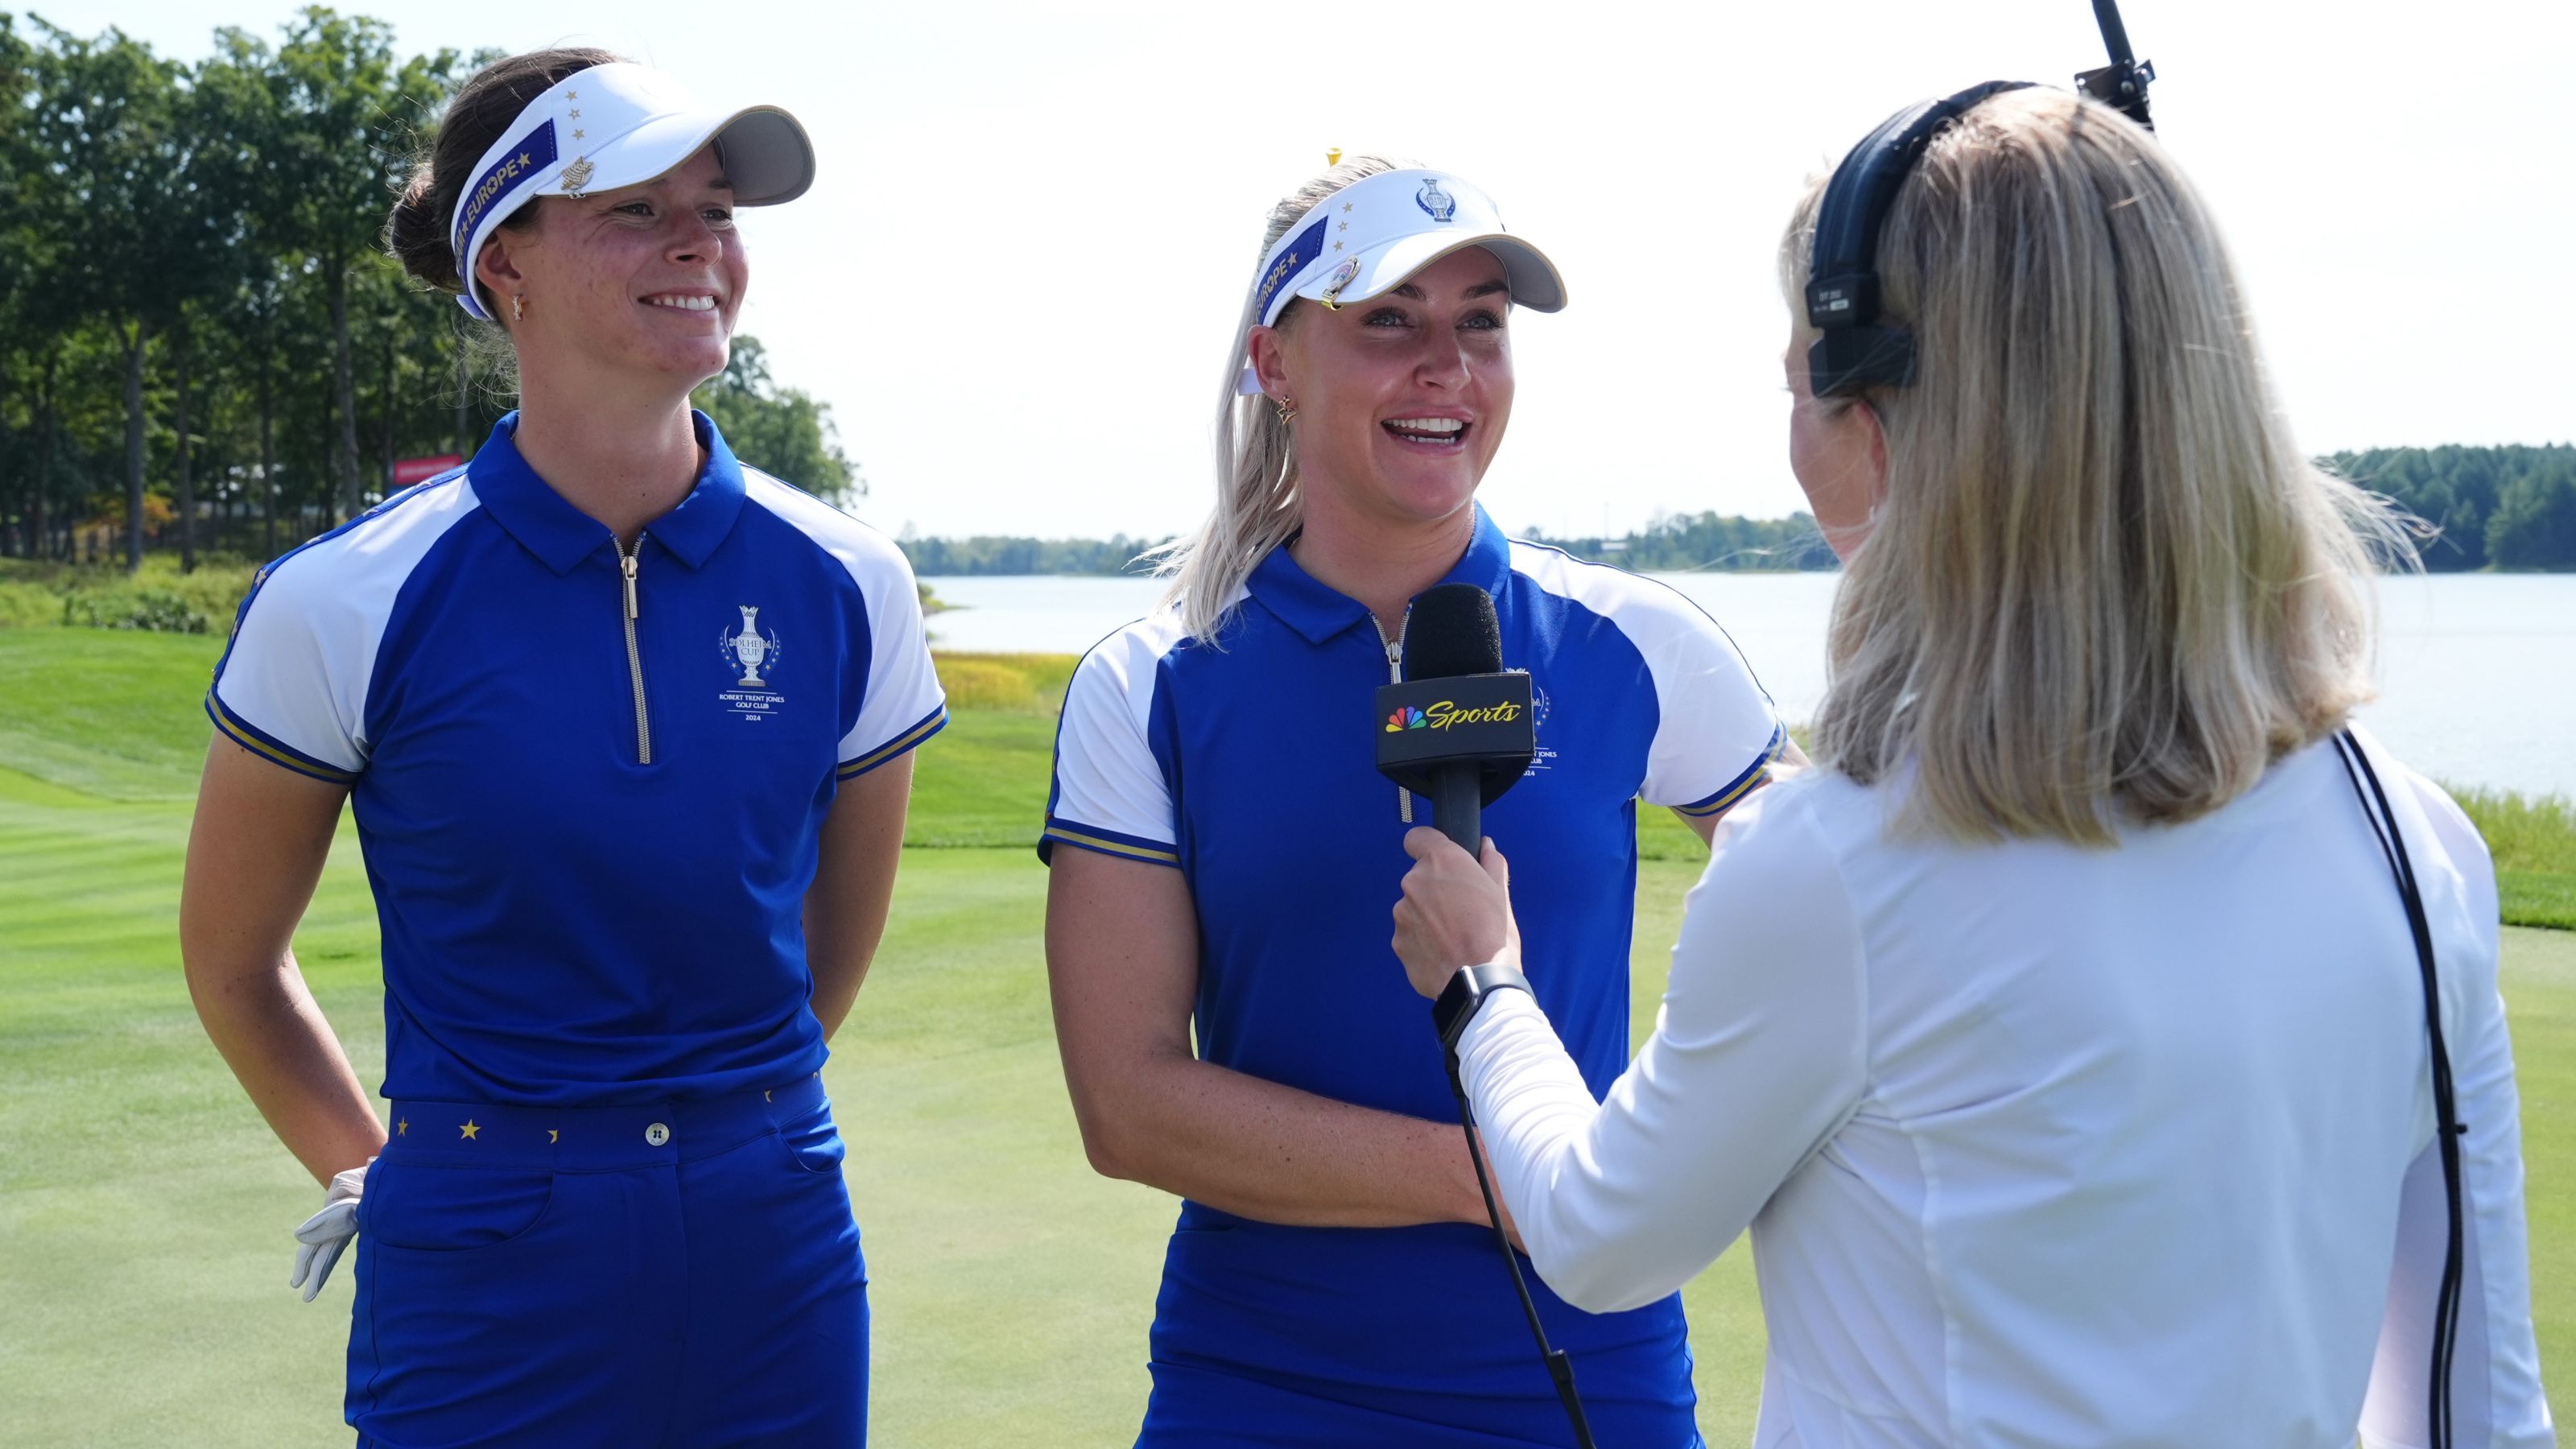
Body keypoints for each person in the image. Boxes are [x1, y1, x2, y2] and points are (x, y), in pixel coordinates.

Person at [1390, 86, 2553, 1447]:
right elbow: (2479, 1408)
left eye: (1795, 387)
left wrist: (1486, 985)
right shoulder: (2420, 847)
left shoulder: (1835, 868)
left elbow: (1597, 1236)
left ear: (1880, 418)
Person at [179, 50, 941, 1447]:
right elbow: (232, 959)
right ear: (506, 264)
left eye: (715, 206)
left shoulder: (849, 578)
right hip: (477, 1250)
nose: (700, 241)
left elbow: (823, 953)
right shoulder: (347, 596)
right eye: (636, 209)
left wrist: (721, 1132)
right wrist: (381, 1173)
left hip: (775, 1228)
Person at [1042, 155, 1793, 1446]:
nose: (1446, 366)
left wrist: (1655, 1148)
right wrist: (1507, 1179)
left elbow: (1847, 922)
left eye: (1482, 326)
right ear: (1276, 362)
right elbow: (1130, 1102)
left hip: (1589, 1362)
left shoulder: (1637, 642)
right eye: (1389, 320)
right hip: (1262, 1372)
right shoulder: (1149, 684)